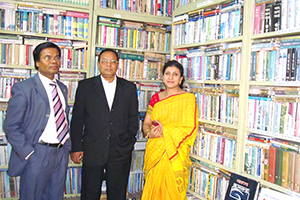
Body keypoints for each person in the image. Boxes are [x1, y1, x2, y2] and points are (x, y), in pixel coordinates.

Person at [4, 42, 71, 200]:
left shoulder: (62, 88)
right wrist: (29, 152)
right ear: (37, 62)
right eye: (47, 58)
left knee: (55, 196)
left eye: (56, 58)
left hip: (60, 153)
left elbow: (64, 119)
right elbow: (11, 126)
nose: (53, 61)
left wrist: (67, 147)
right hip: (37, 152)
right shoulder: (24, 88)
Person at [70, 49, 139, 200]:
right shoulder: (85, 87)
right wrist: (76, 147)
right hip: (92, 149)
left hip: (120, 150)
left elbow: (133, 119)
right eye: (105, 61)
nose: (109, 65)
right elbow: (77, 119)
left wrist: (129, 142)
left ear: (118, 65)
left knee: (117, 192)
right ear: (99, 64)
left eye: (113, 61)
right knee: (90, 192)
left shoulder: (129, 88)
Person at [141, 60, 199, 200]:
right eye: (167, 73)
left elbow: (190, 128)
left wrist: (165, 130)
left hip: (175, 152)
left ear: (181, 79)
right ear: (162, 76)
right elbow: (146, 124)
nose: (170, 77)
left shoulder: (188, 99)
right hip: (155, 149)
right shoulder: (155, 98)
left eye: (175, 74)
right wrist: (149, 133)